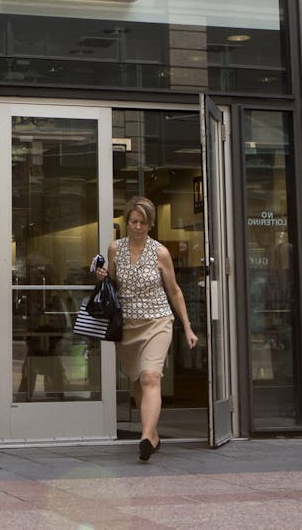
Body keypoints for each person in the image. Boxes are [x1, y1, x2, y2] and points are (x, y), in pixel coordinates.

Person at [94, 196, 198, 461]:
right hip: (128, 326)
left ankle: (146, 437)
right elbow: (115, 284)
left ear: (150, 224)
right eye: (133, 221)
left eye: (143, 222)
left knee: (151, 376)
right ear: (127, 221)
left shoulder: (160, 252)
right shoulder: (115, 248)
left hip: (157, 321)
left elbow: (174, 291)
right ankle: (152, 434)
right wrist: (102, 276)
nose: (137, 226)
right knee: (138, 383)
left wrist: (187, 327)